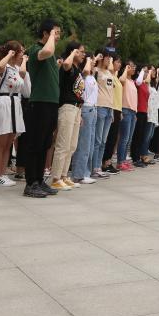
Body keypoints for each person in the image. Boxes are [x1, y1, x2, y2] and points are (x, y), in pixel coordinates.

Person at [21, 20, 62, 198]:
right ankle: (30, 183)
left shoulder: (51, 54)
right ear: (45, 33)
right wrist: (51, 37)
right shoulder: (36, 49)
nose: (58, 36)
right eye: (55, 32)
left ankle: (39, 180)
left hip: (51, 103)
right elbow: (47, 51)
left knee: (45, 144)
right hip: (39, 103)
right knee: (35, 144)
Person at [0, 41, 28, 187]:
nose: (22, 54)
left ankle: (3, 173)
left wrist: (23, 61)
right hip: (4, 103)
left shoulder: (15, 69)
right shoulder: (3, 67)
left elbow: (23, 75)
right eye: (20, 52)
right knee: (0, 143)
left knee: (8, 144)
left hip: (15, 103)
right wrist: (9, 54)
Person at [50, 42, 85, 190]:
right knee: (63, 144)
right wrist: (72, 53)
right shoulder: (68, 66)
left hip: (76, 108)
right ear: (73, 52)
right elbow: (65, 64)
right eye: (81, 51)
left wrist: (80, 114)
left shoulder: (78, 69)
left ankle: (64, 176)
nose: (83, 54)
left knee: (72, 146)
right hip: (67, 107)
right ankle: (56, 178)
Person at [71, 54, 99, 183]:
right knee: (84, 144)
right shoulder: (84, 75)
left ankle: (85, 172)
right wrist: (88, 60)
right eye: (91, 60)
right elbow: (86, 70)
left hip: (93, 109)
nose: (93, 62)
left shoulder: (92, 76)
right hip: (86, 109)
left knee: (90, 144)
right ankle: (78, 174)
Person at [102, 55, 124, 174]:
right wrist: (110, 61)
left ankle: (108, 160)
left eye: (120, 62)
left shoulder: (116, 77)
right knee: (110, 137)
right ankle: (105, 162)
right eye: (117, 62)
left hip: (117, 109)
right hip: (111, 108)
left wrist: (120, 111)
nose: (119, 64)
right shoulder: (110, 74)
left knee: (114, 137)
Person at [116, 60, 138, 171]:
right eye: (130, 66)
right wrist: (125, 69)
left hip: (133, 112)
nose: (133, 68)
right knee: (124, 138)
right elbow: (121, 80)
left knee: (129, 139)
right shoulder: (123, 79)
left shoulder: (132, 81)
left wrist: (135, 112)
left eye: (134, 66)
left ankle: (124, 160)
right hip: (125, 110)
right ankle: (120, 162)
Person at [130, 66, 152, 167]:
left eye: (147, 72)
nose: (146, 73)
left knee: (142, 136)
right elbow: (138, 81)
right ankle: (135, 158)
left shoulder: (145, 84)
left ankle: (139, 156)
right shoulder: (137, 82)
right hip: (138, 111)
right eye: (144, 71)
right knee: (137, 135)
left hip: (144, 112)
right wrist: (142, 71)